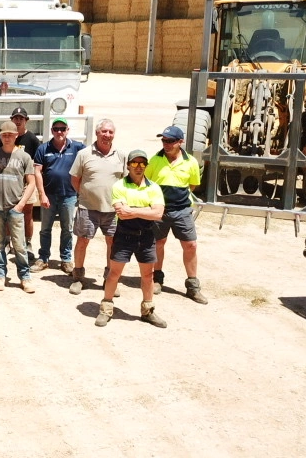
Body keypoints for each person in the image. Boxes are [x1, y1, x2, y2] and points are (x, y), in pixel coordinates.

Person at [95, 149, 168, 328]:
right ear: (128, 165)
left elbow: (158, 213)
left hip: (146, 237)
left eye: (142, 163)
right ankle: (106, 308)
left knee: (148, 275)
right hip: (124, 235)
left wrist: (132, 210)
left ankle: (148, 311)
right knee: (114, 273)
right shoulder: (119, 185)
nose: (138, 167)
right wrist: (146, 211)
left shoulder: (154, 187)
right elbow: (122, 213)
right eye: (135, 163)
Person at [146, 125, 206, 304]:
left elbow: (193, 185)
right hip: (159, 211)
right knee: (158, 243)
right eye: (164, 140)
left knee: (191, 245)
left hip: (182, 211)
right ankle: (157, 279)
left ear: (180, 142)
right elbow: (146, 182)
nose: (166, 144)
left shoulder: (191, 162)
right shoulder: (154, 160)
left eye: (170, 141)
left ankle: (193, 286)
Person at [68, 119, 125, 295]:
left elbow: (124, 180)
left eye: (110, 132)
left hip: (113, 210)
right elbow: (75, 179)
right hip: (88, 208)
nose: (107, 135)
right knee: (83, 241)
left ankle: (110, 279)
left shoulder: (121, 155)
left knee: (113, 243)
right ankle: (78, 277)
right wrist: (86, 195)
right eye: (104, 132)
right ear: (97, 133)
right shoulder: (84, 154)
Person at [0, 122, 36, 292]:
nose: (7, 138)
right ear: (0, 135)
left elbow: (31, 182)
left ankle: (25, 277)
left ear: (16, 136)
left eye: (10, 135)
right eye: (4, 135)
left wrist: (21, 204)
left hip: (15, 208)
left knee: (19, 245)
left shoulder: (24, 157)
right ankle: (0, 274)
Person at [32, 117, 85, 274]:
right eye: (56, 129)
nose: (59, 132)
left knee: (67, 229)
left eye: (63, 128)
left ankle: (66, 259)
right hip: (49, 195)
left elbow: (89, 160)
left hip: (69, 195)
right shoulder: (43, 149)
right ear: (52, 131)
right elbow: (37, 171)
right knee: (45, 229)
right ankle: (43, 258)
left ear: (67, 130)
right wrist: (42, 194)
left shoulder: (77, 147)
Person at [0, 106, 42, 260]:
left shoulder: (32, 140)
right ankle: (8, 242)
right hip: (9, 182)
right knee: (8, 213)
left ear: (26, 120)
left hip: (25, 183)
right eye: (15, 118)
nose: (18, 121)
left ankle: (27, 242)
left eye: (21, 118)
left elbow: (38, 163)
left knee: (28, 214)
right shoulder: (4, 137)